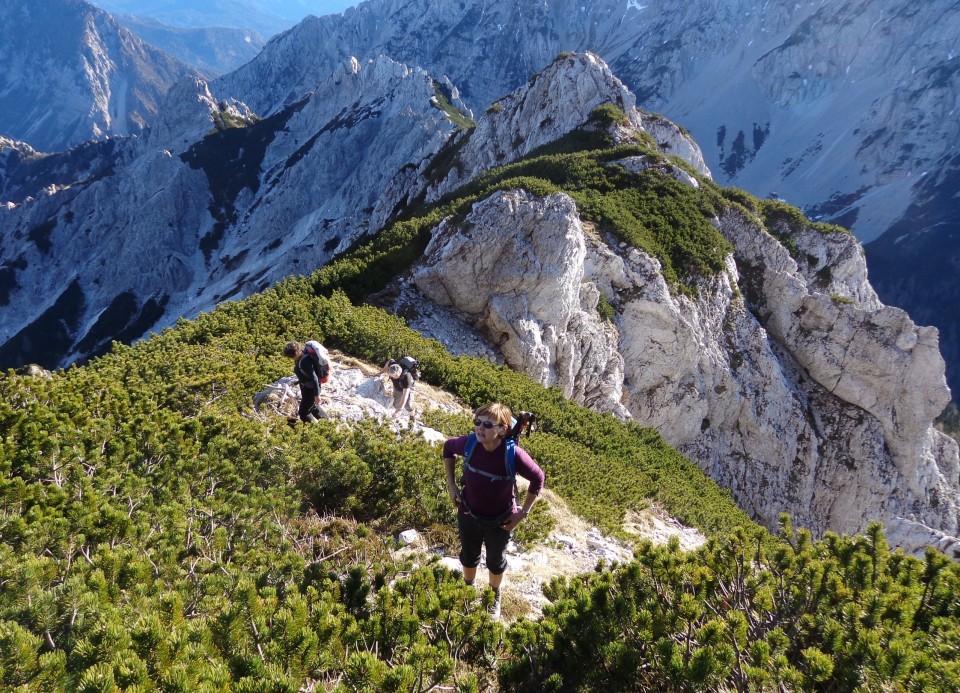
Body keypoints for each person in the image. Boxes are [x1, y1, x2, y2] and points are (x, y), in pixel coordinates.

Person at [442, 402, 545, 621]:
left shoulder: (513, 454)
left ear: (502, 430)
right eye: (477, 422)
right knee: (469, 557)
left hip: (501, 521)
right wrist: (451, 486)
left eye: (488, 424)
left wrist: (522, 513)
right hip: (468, 514)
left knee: (495, 562)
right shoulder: (469, 443)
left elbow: (538, 478)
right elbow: (448, 448)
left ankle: (493, 595)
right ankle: (468, 590)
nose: (480, 427)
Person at [283, 341, 327, 422]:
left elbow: (314, 378)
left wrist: (316, 395)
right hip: (307, 387)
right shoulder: (302, 357)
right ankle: (327, 422)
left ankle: (315, 430)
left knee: (303, 413)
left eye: (291, 356)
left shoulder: (305, 362)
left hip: (311, 390)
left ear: (295, 354)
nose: (291, 358)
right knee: (312, 407)